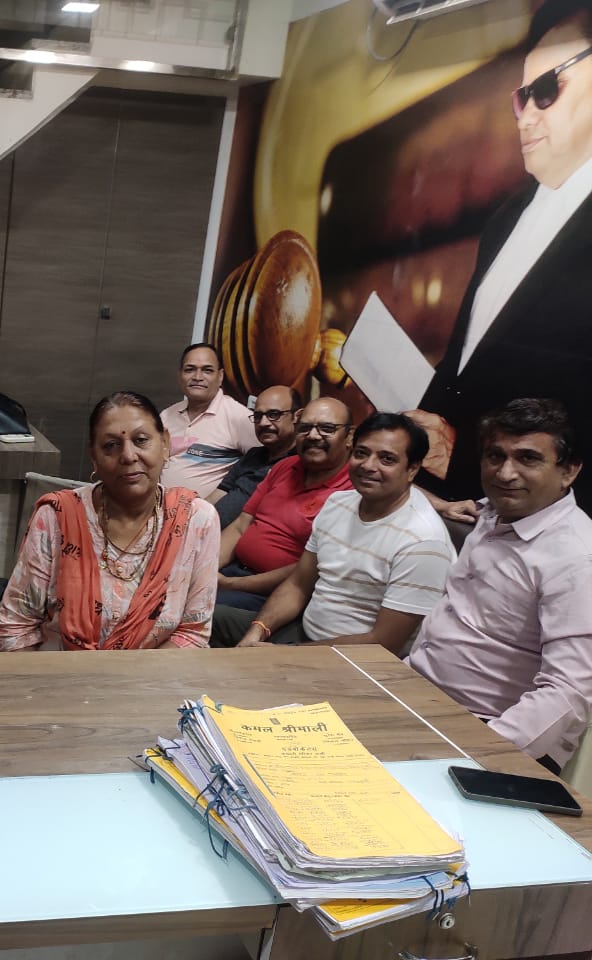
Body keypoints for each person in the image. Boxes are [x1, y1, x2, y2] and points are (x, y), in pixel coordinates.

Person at [409, 0, 592, 514]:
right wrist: (425, 428)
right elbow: (467, 351)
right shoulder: (508, 215)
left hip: (550, 508)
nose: (526, 116)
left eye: (547, 89)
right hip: (454, 491)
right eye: (521, 97)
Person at [408, 398, 592, 773]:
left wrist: (475, 756)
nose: (505, 473)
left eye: (528, 459)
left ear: (569, 471)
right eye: (495, 456)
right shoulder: (493, 512)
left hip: (483, 730)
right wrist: (442, 506)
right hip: (413, 689)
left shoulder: (576, 558)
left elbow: (568, 693)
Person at [0, 391, 220, 651]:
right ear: (93, 456)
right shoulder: (57, 517)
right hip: (59, 673)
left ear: (165, 443)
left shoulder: (196, 520)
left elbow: (192, 634)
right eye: (111, 445)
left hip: (154, 674)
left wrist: (132, 678)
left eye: (141, 440)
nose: (128, 456)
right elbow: (15, 628)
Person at [212, 412, 454, 652]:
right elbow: (298, 584)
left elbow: (383, 643)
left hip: (357, 660)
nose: (368, 465)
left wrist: (286, 654)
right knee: (204, 618)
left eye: (387, 459)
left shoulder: (424, 543)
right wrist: (257, 631)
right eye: (361, 453)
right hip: (302, 634)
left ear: (412, 469)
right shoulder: (338, 503)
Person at [214, 397, 354, 610]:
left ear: (349, 436)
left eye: (327, 428)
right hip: (232, 573)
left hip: (276, 595)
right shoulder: (285, 466)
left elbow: (308, 570)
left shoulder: (353, 491)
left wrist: (230, 584)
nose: (313, 436)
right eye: (304, 428)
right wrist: (206, 571)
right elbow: (241, 526)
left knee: (193, 612)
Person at [158, 343, 258, 497]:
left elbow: (261, 468)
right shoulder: (166, 416)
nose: (197, 377)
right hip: (158, 507)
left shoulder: (239, 417)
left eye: (207, 370)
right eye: (189, 369)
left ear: (220, 376)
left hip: (208, 510)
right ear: (180, 375)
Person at [206, 385, 303, 528]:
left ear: (297, 416)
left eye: (274, 414)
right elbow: (219, 494)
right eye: (258, 416)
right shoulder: (253, 455)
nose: (263, 423)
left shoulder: (301, 463)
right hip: (208, 532)